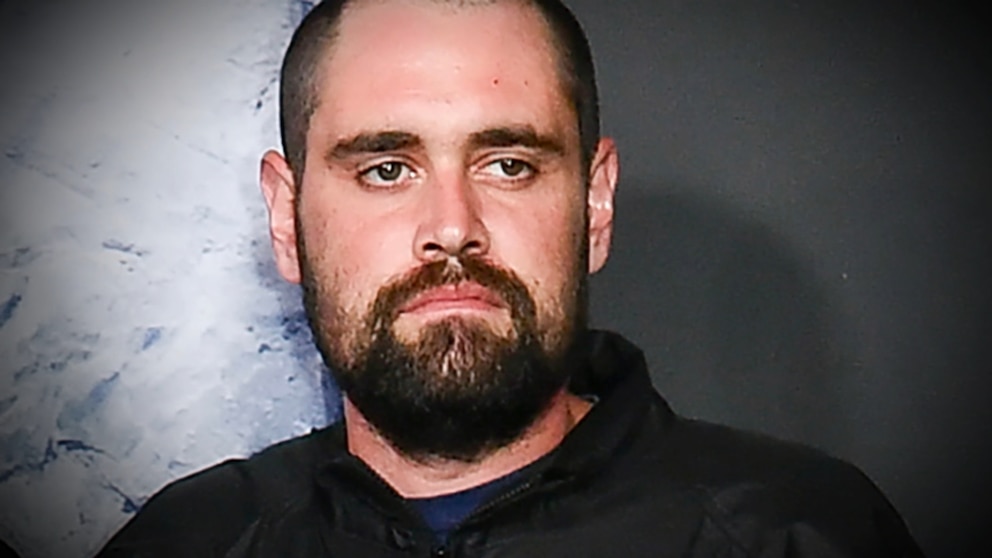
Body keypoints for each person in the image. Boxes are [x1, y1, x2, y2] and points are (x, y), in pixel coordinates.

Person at [97, 0, 924, 556]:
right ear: (286, 219)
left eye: (508, 164)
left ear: (595, 203)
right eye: (386, 169)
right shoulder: (188, 541)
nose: (452, 226)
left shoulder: (802, 533)